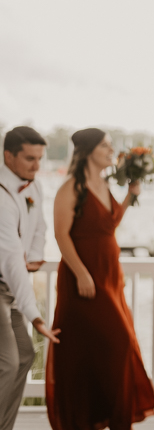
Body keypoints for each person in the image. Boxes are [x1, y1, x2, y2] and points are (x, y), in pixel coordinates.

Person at [46, 128, 154, 430]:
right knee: (105, 343)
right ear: (89, 150)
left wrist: (129, 197)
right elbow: (60, 234)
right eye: (105, 145)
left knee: (107, 347)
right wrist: (81, 273)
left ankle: (103, 417)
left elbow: (109, 225)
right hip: (84, 277)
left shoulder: (103, 185)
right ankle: (86, 418)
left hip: (109, 275)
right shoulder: (71, 187)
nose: (111, 150)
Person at [0, 127, 60, 430]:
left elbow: (39, 227)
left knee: (24, 356)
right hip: (2, 284)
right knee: (8, 363)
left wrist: (35, 253)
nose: (37, 166)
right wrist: (36, 317)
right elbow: (11, 260)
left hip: (10, 286)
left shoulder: (33, 186)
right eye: (29, 159)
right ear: (8, 156)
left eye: (40, 158)